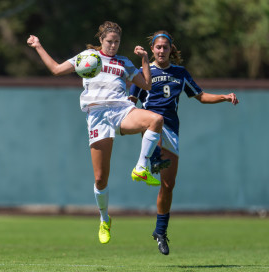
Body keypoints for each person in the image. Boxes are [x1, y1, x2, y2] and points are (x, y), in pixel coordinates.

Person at [27, 21, 164, 244]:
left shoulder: (124, 62)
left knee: (156, 119)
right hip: (98, 116)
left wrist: (145, 60)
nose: (113, 46)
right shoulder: (88, 57)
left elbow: (147, 85)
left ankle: (141, 167)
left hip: (121, 109)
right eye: (109, 41)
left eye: (117, 42)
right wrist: (38, 46)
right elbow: (55, 70)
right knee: (100, 178)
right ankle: (104, 219)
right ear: (101, 40)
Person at [129, 30, 239, 255]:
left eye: (165, 47)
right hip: (150, 124)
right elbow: (130, 101)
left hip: (172, 130)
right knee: (153, 123)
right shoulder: (143, 72)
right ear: (152, 50)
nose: (161, 50)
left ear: (171, 50)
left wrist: (224, 97)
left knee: (168, 186)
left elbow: (200, 96)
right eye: (158, 47)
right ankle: (151, 160)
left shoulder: (180, 73)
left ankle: (160, 232)